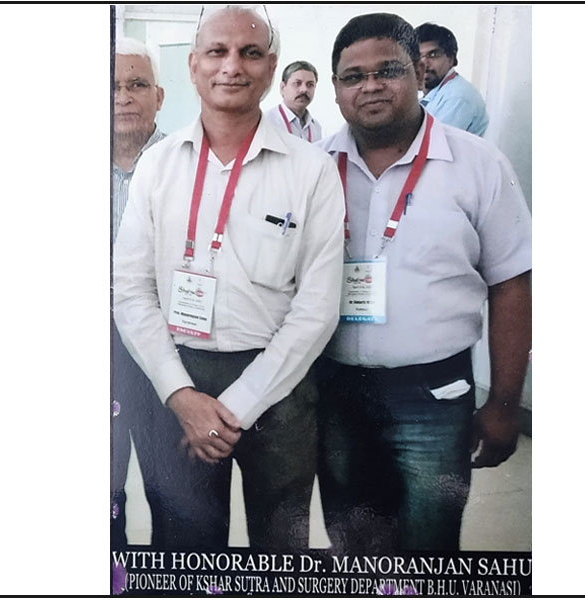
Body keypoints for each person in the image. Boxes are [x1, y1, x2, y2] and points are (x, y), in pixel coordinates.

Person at [113, 6, 344, 551]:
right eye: (217, 51)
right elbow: (131, 290)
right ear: (193, 66)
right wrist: (180, 395)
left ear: (271, 68)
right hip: (177, 377)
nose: (232, 66)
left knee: (281, 551)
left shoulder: (311, 169)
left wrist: (239, 403)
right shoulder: (158, 165)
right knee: (186, 546)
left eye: (251, 52)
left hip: (279, 385)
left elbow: (317, 308)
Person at [316, 13, 531, 554]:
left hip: (433, 395)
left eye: (387, 70)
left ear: (419, 72)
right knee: (351, 545)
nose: (370, 86)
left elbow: (512, 284)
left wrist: (505, 403)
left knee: (429, 550)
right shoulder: (314, 167)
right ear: (336, 89)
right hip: (333, 389)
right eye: (353, 76)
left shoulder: (477, 164)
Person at [111, 37, 167, 547]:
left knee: (171, 487)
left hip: (165, 343)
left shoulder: (185, 161)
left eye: (136, 84)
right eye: (111, 86)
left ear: (159, 96)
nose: (123, 97)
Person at [416, 22, 489, 136]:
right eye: (418, 56)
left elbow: (431, 141)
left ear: (451, 59)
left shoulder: (457, 96)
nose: (424, 63)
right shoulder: (436, 93)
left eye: (433, 55)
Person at [265, 60, 322, 142]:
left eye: (310, 84)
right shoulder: (268, 122)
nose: (304, 89)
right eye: (297, 83)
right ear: (283, 88)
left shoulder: (316, 128)